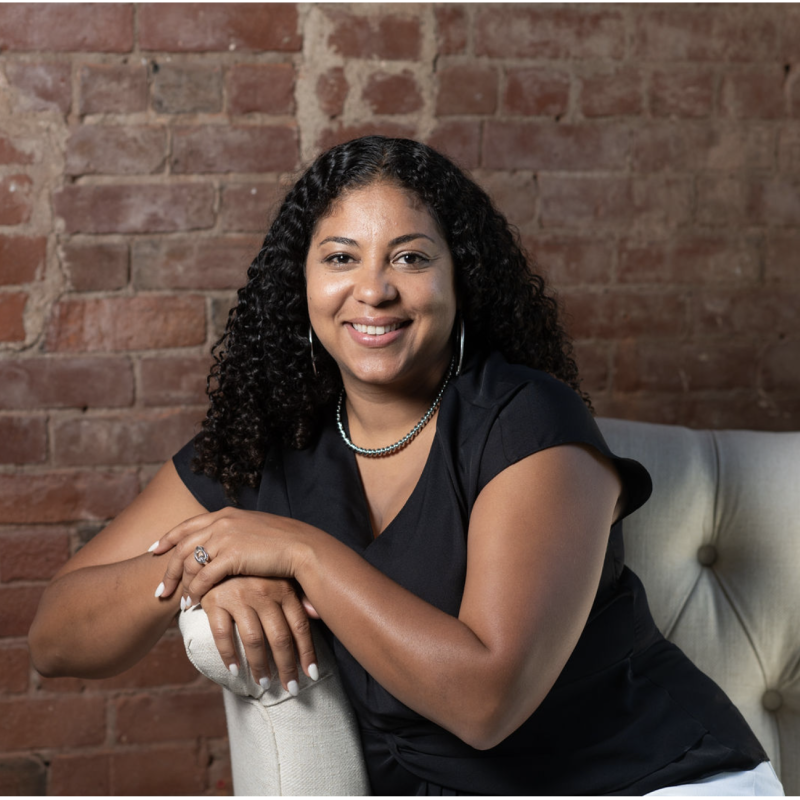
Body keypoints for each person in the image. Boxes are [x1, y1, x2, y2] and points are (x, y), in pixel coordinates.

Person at [29, 136, 782, 796]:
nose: (374, 290)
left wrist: (296, 550)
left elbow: (487, 702)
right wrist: (210, 560)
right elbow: (56, 637)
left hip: (650, 780)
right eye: (340, 258)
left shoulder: (525, 418)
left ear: (461, 280)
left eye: (411, 257)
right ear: (302, 284)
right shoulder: (270, 442)